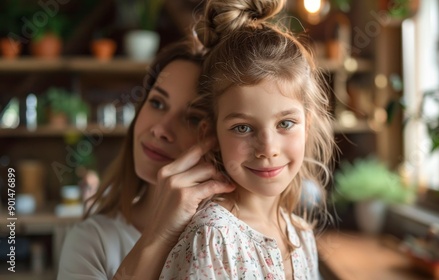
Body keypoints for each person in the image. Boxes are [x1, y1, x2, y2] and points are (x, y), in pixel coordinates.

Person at [158, 0, 336, 278]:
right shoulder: (214, 236)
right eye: (243, 128)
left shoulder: (301, 233)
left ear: (307, 125)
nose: (267, 149)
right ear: (211, 134)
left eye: (285, 123)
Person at [57, 38, 235, 279]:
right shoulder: (93, 241)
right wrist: (159, 235)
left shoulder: (235, 238)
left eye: (193, 118)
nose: (161, 129)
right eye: (157, 102)